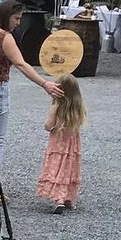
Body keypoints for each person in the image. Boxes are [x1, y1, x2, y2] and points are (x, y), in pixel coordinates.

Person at [0, 0, 63, 189]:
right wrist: (44, 84)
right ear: (6, 15)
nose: (18, 23)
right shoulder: (4, 37)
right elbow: (21, 64)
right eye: (16, 18)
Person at [36, 74, 86, 213]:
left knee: (57, 168)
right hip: (72, 147)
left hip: (58, 145)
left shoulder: (56, 107)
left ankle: (59, 200)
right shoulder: (77, 107)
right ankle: (68, 198)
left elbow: (48, 126)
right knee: (69, 169)